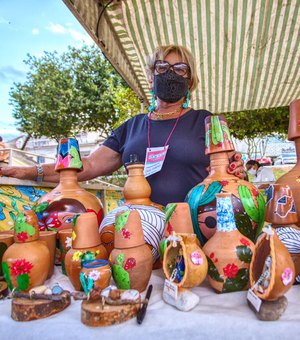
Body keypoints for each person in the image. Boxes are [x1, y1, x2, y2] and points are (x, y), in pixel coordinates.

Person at [0, 45, 244, 207]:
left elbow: (229, 170)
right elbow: (86, 166)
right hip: (140, 228)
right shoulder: (130, 127)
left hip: (195, 227)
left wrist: (236, 168)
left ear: (190, 81)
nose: (170, 74)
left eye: (180, 69)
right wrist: (28, 171)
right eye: (162, 67)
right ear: (150, 78)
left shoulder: (207, 121)